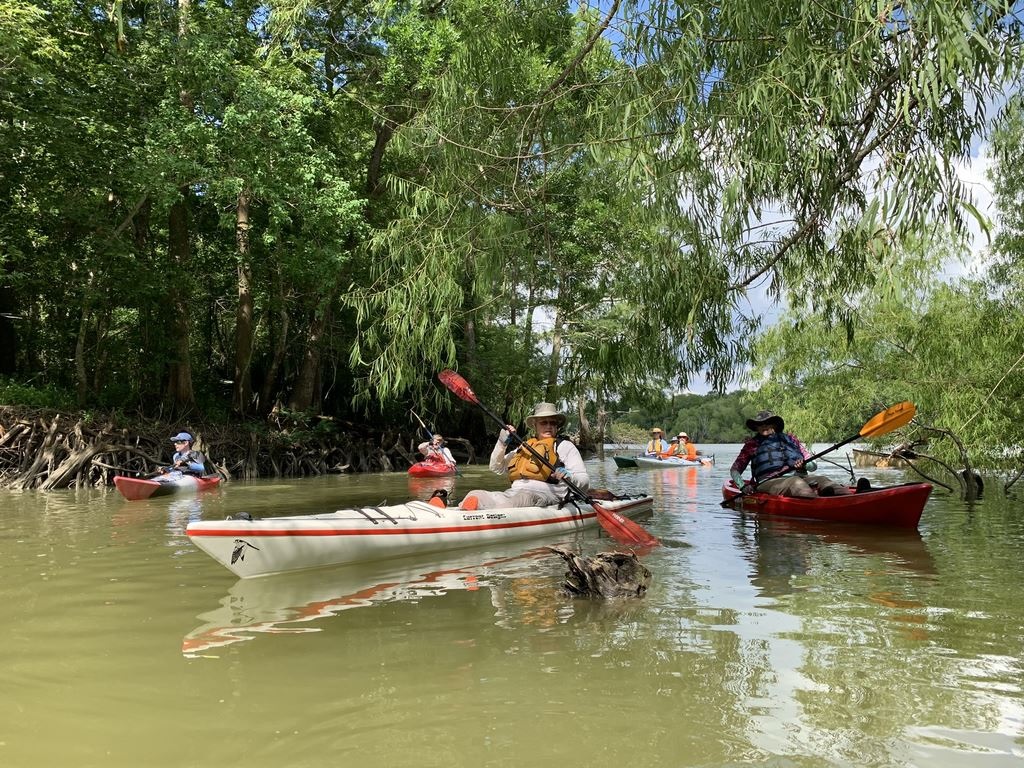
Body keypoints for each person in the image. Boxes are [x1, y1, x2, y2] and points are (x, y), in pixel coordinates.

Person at [459, 402, 589, 511]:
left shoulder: (565, 446)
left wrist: (569, 476)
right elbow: (496, 467)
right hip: (514, 493)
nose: (549, 426)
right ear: (535, 425)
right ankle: (456, 512)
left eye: (553, 423)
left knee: (521, 498)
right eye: (544, 422)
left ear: (557, 426)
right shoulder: (526, 446)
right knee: (475, 494)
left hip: (547, 495)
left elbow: (584, 481)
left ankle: (483, 516)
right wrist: (501, 443)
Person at [730, 411, 852, 497]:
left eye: (767, 422)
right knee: (795, 483)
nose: (764, 426)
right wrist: (743, 487)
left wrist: (804, 465)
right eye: (760, 424)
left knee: (823, 480)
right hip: (769, 482)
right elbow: (735, 470)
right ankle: (820, 502)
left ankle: (848, 496)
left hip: (801, 477)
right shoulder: (752, 445)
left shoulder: (791, 439)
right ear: (756, 428)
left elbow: (813, 465)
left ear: (775, 424)